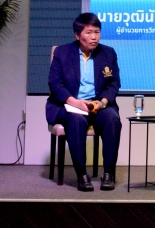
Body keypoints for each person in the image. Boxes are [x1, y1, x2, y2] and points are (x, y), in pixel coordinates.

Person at [46, 13, 122, 192]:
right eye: (89, 32)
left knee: (112, 119)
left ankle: (109, 174)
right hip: (70, 105)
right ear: (77, 35)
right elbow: (55, 84)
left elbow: (114, 84)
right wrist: (75, 103)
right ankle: (82, 175)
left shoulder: (108, 53)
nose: (94, 37)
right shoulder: (62, 53)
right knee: (76, 120)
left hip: (98, 105)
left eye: (97, 32)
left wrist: (102, 103)